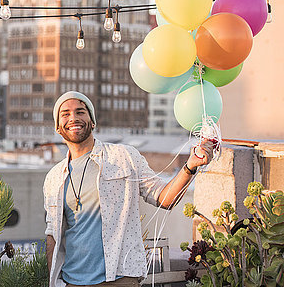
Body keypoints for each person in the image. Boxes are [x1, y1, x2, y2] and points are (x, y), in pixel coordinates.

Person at [43, 91, 215, 287]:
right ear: (58, 127)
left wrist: (190, 167)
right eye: (65, 114)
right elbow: (53, 235)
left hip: (120, 278)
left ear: (92, 121)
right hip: (72, 281)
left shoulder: (123, 157)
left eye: (80, 112)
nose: (73, 118)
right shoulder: (54, 177)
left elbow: (164, 198)